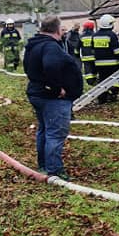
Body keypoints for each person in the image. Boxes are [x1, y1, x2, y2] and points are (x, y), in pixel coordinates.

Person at [23, 15, 83, 179]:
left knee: (44, 130)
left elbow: (27, 68)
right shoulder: (50, 47)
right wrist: (57, 88)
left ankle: (43, 165)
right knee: (55, 134)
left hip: (38, 94)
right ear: (57, 29)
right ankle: (54, 170)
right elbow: (50, 66)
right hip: (52, 99)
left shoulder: (34, 45)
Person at [91, 14, 119, 103]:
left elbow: (93, 49)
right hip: (112, 63)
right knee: (116, 79)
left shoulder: (95, 35)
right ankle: (113, 95)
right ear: (108, 24)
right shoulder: (112, 35)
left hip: (99, 64)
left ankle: (102, 99)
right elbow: (116, 50)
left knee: (102, 81)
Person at [79, 20, 97, 86]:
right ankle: (95, 81)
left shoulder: (81, 36)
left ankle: (90, 82)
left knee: (88, 71)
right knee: (94, 70)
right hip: (95, 57)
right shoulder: (95, 35)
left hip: (85, 58)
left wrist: (77, 54)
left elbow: (77, 48)